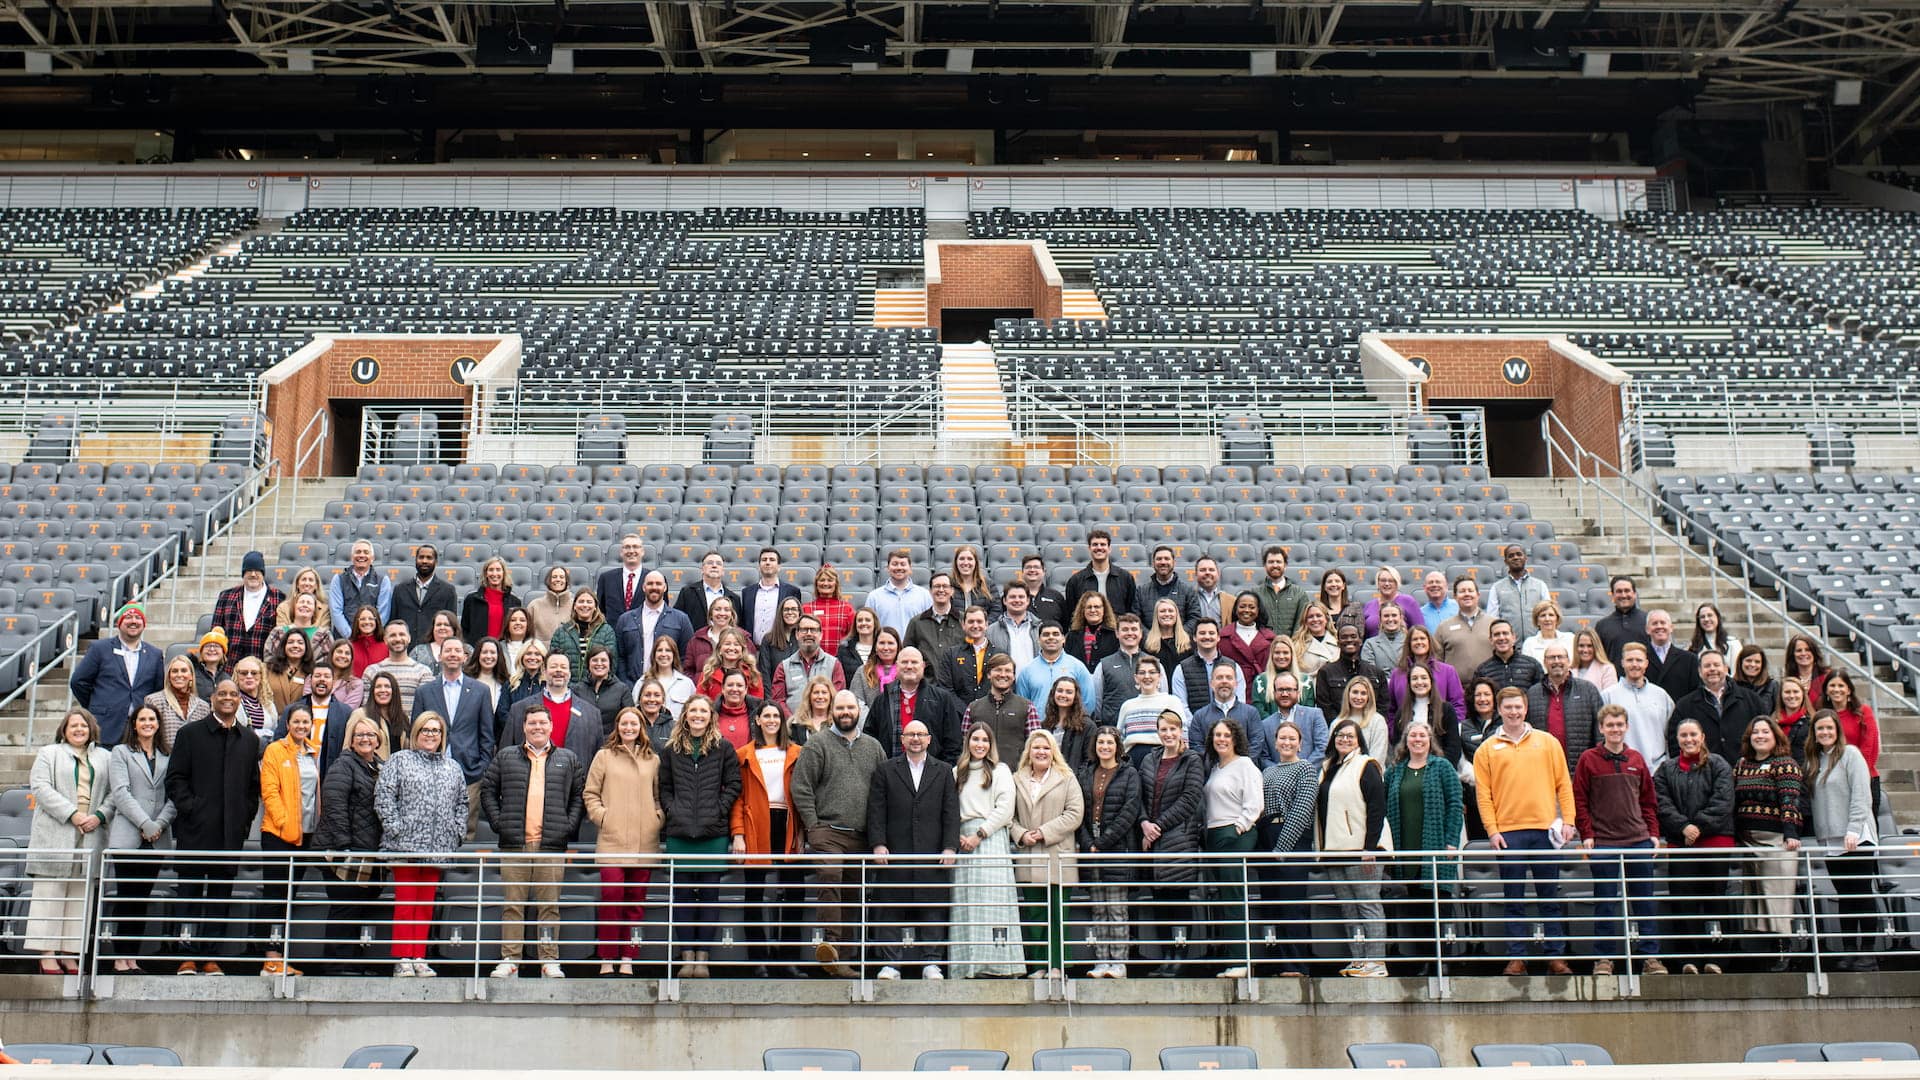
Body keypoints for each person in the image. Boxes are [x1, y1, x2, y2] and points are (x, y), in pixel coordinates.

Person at [1473, 686, 1577, 976]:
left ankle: (1555, 956)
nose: (1514, 712)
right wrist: (1492, 831)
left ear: (1526, 707)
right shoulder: (1486, 749)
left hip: (1545, 831)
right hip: (1509, 834)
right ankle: (1516, 956)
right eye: (1508, 707)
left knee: (1549, 896)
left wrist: (1568, 819)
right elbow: (1484, 795)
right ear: (1499, 710)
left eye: (1518, 707)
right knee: (1513, 897)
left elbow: (1563, 784)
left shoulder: (1547, 742)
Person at [164, 679, 262, 975]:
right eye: (223, 694)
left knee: (220, 897)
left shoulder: (249, 740)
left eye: (234, 694)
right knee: (190, 895)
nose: (229, 698)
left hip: (229, 835)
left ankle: (211, 956)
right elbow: (175, 779)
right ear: (212, 698)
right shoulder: (190, 734)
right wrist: (192, 809)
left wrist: (243, 823)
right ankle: (186, 955)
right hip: (195, 831)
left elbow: (251, 789)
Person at [482, 704, 586, 980]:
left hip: (551, 844)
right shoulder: (506, 757)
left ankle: (549, 959)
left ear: (551, 726)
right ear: (523, 727)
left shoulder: (568, 759)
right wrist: (499, 823)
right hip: (514, 844)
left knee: (549, 906)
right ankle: (510, 959)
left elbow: (578, 797)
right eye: (532, 723)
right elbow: (488, 791)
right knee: (512, 905)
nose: (537, 727)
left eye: (542, 723)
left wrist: (567, 827)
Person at [791, 690, 886, 978]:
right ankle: (831, 945)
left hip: (861, 834)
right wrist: (813, 825)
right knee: (830, 878)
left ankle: (844, 959)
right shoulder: (818, 744)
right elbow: (801, 787)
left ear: (859, 712)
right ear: (832, 710)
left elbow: (882, 791)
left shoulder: (873, 747)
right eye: (840, 708)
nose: (845, 712)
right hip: (827, 831)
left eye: (850, 708)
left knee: (854, 894)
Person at [1572, 704, 1664, 977]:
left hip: (1638, 841)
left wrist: (1653, 833)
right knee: (1605, 902)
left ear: (1626, 727)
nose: (1615, 729)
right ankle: (1604, 959)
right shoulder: (1588, 759)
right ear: (1601, 728)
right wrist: (1587, 834)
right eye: (1610, 725)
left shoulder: (1636, 759)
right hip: (1604, 843)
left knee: (1644, 901)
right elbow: (1580, 801)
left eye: (1619, 725)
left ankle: (1650, 958)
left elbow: (1648, 801)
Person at [375, 711, 468, 977]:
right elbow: (384, 797)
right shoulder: (399, 760)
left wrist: (456, 832)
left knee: (426, 904)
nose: (430, 735)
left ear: (443, 736)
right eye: (425, 730)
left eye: (436, 731)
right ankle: (403, 956)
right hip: (404, 846)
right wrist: (396, 829)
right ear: (416, 733)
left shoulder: (452, 767)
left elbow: (462, 803)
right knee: (405, 903)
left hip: (437, 847)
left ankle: (419, 955)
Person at [867, 718, 961, 981]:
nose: (916, 739)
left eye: (921, 734)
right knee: (890, 907)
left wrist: (950, 847)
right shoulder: (885, 770)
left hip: (932, 851)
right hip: (894, 850)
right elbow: (876, 810)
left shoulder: (943, 771)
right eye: (911, 735)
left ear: (929, 739)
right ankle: (891, 964)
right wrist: (878, 843)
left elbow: (951, 813)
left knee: (932, 907)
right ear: (902, 740)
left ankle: (931, 962)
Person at [657, 695, 742, 979]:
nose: (697, 715)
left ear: (711, 716)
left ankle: (703, 959)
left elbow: (733, 785)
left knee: (708, 898)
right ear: (685, 715)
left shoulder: (723, 748)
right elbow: (664, 787)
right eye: (693, 710)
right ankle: (686, 958)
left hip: (712, 834)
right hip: (680, 833)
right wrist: (672, 809)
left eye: (703, 711)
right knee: (681, 897)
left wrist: (718, 810)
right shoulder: (671, 750)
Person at [26, 708, 113, 974]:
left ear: (91, 730)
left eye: (83, 726)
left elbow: (113, 794)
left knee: (80, 895)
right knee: (50, 892)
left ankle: (70, 953)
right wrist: (73, 814)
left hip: (91, 831)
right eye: (73, 726)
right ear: (64, 730)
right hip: (57, 830)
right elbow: (40, 787)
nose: (78, 730)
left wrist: (98, 816)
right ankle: (47, 953)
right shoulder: (49, 754)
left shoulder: (105, 757)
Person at [584, 706, 663, 977]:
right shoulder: (604, 756)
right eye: (624, 724)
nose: (629, 728)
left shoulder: (653, 760)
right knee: (611, 898)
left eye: (634, 724)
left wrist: (657, 818)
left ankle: (629, 956)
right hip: (612, 840)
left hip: (644, 841)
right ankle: (606, 956)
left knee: (636, 901)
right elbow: (590, 793)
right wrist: (603, 817)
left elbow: (658, 796)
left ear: (642, 727)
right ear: (617, 727)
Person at [1653, 716, 1735, 976]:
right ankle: (1688, 959)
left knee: (1715, 901)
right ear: (1676, 740)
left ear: (1702, 737)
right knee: (1683, 902)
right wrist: (1683, 827)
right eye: (1683, 736)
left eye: (1693, 735)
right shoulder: (1666, 769)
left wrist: (1698, 826)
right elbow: (1661, 803)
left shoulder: (1718, 765)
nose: (1688, 740)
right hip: (1681, 844)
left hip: (1714, 842)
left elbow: (1723, 800)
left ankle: (1717, 959)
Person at [728, 703, 806, 978]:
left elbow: (805, 794)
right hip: (756, 824)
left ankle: (788, 959)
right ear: (758, 720)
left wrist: (803, 830)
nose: (772, 720)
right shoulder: (744, 755)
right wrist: (738, 834)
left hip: (788, 824)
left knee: (794, 895)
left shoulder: (797, 752)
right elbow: (737, 798)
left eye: (776, 716)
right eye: (767, 716)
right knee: (755, 895)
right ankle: (758, 959)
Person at [1384, 718, 1463, 977]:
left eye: (1422, 736)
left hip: (1437, 847)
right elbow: (1384, 807)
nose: (1417, 740)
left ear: (1430, 741)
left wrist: (1451, 840)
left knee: (1438, 906)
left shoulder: (1442, 767)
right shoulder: (1395, 771)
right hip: (1407, 849)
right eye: (1412, 736)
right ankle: (1422, 960)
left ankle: (1440, 963)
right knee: (1416, 908)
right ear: (1405, 742)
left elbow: (1455, 804)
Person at [1804, 710, 1880, 972]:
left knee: (1861, 893)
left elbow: (1862, 795)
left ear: (1837, 730)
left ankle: (1868, 952)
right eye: (1820, 729)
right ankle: (1849, 950)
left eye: (1829, 728)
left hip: (1855, 837)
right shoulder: (1814, 761)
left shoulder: (1851, 755)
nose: (1824, 733)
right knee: (1844, 896)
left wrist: (1854, 829)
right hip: (1831, 839)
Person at [312, 715, 385, 975]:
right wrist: (345, 846)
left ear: (378, 740)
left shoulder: (379, 766)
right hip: (341, 851)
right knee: (344, 908)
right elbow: (333, 806)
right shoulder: (343, 765)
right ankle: (335, 964)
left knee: (359, 908)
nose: (365, 739)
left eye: (370, 735)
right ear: (351, 741)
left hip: (366, 853)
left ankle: (354, 962)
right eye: (359, 735)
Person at [949, 723, 1024, 979]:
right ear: (967, 742)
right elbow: (949, 808)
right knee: (967, 903)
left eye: (984, 740)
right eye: (975, 739)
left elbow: (1005, 808)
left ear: (991, 744)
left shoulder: (1000, 771)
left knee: (993, 902)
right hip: (963, 842)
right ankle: (968, 966)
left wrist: (979, 834)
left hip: (989, 838)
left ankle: (998, 965)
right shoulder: (956, 772)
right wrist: (957, 835)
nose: (979, 744)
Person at [1316, 717, 1389, 978]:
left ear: (1359, 740)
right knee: (1349, 908)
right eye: (1340, 735)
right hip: (1335, 849)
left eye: (1350, 735)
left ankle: (1376, 962)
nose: (1344, 739)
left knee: (1368, 904)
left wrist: (1369, 846)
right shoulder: (1327, 767)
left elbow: (1377, 807)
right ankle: (1358, 960)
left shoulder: (1365, 765)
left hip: (1362, 849)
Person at [1011, 728, 1084, 981]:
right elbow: (1010, 817)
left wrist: (1043, 832)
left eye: (1046, 748)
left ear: (1053, 752)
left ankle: (1057, 965)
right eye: (1036, 748)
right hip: (1029, 855)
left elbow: (1075, 813)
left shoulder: (1066, 777)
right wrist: (1021, 834)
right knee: (1036, 913)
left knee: (1057, 913)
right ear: (1028, 752)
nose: (1041, 752)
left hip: (1057, 854)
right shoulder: (1017, 778)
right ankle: (1039, 966)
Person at [105, 703, 173, 973]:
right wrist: (145, 823)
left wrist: (158, 824)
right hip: (130, 835)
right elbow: (120, 792)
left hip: (156, 836)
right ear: (134, 724)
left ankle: (132, 957)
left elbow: (174, 795)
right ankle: (120, 958)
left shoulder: (168, 754)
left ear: (158, 724)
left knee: (142, 899)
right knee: (127, 897)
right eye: (142, 719)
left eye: (152, 719)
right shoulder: (121, 752)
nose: (147, 723)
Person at [1732, 715, 1803, 971]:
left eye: (1765, 732)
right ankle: (1763, 951)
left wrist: (1790, 832)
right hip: (1748, 840)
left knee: (1777, 895)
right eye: (1755, 732)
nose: (1760, 736)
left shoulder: (1785, 764)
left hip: (1777, 840)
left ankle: (1785, 951)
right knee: (1755, 896)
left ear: (1775, 736)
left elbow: (1790, 800)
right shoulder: (1742, 764)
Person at [1138, 710, 1205, 977]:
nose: (1168, 734)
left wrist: (1158, 827)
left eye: (1173, 729)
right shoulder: (1149, 760)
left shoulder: (1192, 760)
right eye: (1164, 729)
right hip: (1152, 840)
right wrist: (1144, 822)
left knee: (1179, 901)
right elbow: (1139, 796)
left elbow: (1190, 799)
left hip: (1179, 839)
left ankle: (1179, 955)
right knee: (1160, 901)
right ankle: (1166, 955)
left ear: (1181, 731)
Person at [257, 704, 321, 976]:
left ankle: (281, 958)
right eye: (296, 721)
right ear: (287, 723)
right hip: (278, 835)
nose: (301, 726)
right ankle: (270, 958)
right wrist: (284, 823)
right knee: (275, 896)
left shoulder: (312, 753)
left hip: (305, 835)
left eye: (306, 722)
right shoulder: (275, 750)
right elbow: (269, 791)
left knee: (290, 896)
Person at [411, 637, 496, 838]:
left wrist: (482, 766)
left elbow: (487, 734)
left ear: (465, 657)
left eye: (457, 651)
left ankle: (460, 870)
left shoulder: (480, 691)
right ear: (439, 656)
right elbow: (416, 731)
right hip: (429, 771)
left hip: (469, 772)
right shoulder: (424, 691)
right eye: (447, 650)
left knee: (466, 829)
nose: (452, 654)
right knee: (431, 825)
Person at [1198, 719, 1261, 979]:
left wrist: (1239, 827)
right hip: (1213, 834)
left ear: (1235, 738)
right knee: (1223, 898)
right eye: (1217, 735)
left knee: (1234, 897)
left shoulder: (1244, 765)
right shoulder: (1214, 768)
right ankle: (1229, 959)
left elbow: (1255, 802)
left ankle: (1241, 961)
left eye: (1226, 735)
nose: (1221, 739)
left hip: (1234, 833)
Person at [1077, 725, 1141, 979]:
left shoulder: (1128, 774)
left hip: (1117, 847)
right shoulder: (1086, 772)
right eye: (1101, 742)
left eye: (1110, 743)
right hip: (1090, 846)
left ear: (1118, 747)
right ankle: (1102, 960)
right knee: (1098, 907)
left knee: (1116, 909)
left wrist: (1102, 842)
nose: (1105, 747)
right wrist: (1087, 841)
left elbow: (1130, 810)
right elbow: (1078, 809)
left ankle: (1119, 961)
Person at [70, 601, 165, 745]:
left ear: (144, 624)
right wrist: (97, 704)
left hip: (139, 730)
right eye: (128, 617)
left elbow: (157, 690)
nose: (133, 621)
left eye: (138, 617)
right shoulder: (99, 648)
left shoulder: (155, 654)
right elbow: (78, 682)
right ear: (119, 623)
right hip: (105, 726)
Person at [1668, 650, 1766, 767]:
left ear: (1725, 669)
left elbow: (1767, 735)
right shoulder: (1685, 705)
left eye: (1716, 665)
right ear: (1700, 672)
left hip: (1746, 773)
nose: (1712, 669)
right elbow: (1675, 743)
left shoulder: (1751, 700)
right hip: (1704, 775)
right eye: (1707, 666)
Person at [507, 651, 604, 766]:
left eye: (563, 667)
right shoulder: (519, 709)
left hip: (575, 781)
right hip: (531, 780)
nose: (559, 670)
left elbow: (598, 759)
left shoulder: (591, 713)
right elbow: (506, 755)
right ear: (544, 671)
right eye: (553, 666)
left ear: (569, 673)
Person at [870, 646, 966, 761]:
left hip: (932, 774)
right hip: (890, 773)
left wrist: (942, 772)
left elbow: (954, 743)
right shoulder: (882, 700)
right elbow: (871, 740)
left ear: (923, 666)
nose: (909, 666)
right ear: (897, 666)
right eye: (904, 662)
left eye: (914, 662)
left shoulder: (941, 699)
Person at [1527, 641, 1602, 774]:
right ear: (1544, 662)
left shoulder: (1588, 689)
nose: (1556, 661)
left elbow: (1600, 729)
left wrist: (1599, 762)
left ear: (1569, 660)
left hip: (1580, 771)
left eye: (1560, 657)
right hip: (1543, 771)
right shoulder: (1532, 694)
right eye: (1551, 657)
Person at [1189, 663, 1276, 770]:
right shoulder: (1199, 716)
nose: (1224, 681)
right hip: (1211, 775)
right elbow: (1197, 747)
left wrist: (1237, 766)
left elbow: (1257, 744)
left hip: (1245, 775)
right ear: (1211, 683)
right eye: (1219, 678)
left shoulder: (1251, 713)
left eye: (1229, 678)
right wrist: (1219, 765)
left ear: (1236, 683)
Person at [1602, 643, 1674, 772]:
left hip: (1657, 771)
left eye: (1639, 660)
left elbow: (1671, 733)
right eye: (1630, 660)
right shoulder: (1608, 696)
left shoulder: (1661, 695)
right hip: (1621, 770)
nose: (1634, 664)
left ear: (1646, 663)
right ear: (1622, 663)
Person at [614, 571, 694, 682]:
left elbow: (687, 657)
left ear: (665, 587)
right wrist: (627, 686)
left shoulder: (681, 619)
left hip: (668, 688)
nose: (654, 587)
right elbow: (620, 657)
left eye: (658, 584)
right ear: (643, 587)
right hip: (633, 687)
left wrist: (674, 684)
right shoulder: (625, 619)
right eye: (650, 583)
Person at [1821, 672, 1882, 816]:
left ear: (1849, 690)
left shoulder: (1863, 712)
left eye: (1841, 685)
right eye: (1832, 685)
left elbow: (1869, 747)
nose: (1836, 689)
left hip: (1864, 778)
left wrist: (1857, 775)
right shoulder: (1823, 715)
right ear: (1826, 690)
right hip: (1834, 781)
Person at [1115, 656, 1188, 768]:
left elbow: (1183, 734)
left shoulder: (1172, 702)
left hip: (1165, 760)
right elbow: (1120, 739)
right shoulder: (1127, 706)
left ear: (1159, 676)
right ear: (1136, 677)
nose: (1147, 676)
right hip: (1133, 763)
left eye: (1152, 672)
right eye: (1142, 672)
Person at [212, 551, 285, 662]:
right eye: (249, 570)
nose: (253, 574)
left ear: (263, 573)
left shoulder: (278, 597)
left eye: (257, 571)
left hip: (263, 668)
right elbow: (215, 632)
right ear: (243, 573)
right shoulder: (226, 596)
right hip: (230, 667)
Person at [967, 653, 1037, 763]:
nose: (1003, 674)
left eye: (1008, 671)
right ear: (989, 674)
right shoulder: (973, 708)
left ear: (1014, 676)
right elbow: (965, 745)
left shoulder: (1027, 707)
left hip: (1016, 774)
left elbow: (1035, 744)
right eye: (998, 670)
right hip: (981, 772)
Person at [770, 614, 845, 714]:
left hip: (825, 727)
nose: (809, 634)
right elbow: (778, 700)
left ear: (820, 635)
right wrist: (793, 722)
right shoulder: (784, 667)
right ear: (797, 634)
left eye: (813, 630)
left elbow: (838, 698)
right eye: (804, 630)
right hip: (792, 726)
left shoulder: (834, 664)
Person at [1392, 664, 1464, 765]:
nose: (1419, 682)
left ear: (1431, 681)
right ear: (1409, 683)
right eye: (1414, 678)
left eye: (1424, 678)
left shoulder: (1446, 709)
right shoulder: (1401, 713)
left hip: (1440, 771)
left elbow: (1454, 747)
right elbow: (1397, 747)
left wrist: (1439, 769)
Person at [1171, 618, 1245, 712]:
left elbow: (1240, 702)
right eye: (1202, 633)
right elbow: (1181, 706)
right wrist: (1196, 725)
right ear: (1194, 637)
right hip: (1195, 725)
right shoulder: (1181, 669)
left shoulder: (1234, 667)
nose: (1207, 636)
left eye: (1211, 633)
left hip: (1228, 724)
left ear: (1218, 637)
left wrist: (1226, 725)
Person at [1065, 528, 1138, 623]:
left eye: (1103, 544)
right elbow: (1072, 612)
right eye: (1095, 544)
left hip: (1116, 632)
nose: (1099, 547)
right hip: (1086, 633)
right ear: (1089, 548)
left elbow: (1131, 609)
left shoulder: (1125, 578)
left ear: (1109, 548)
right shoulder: (1076, 581)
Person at [1314, 624, 1383, 720]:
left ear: (1360, 641)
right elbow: (1325, 707)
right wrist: (1342, 726)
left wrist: (1368, 724)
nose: (1349, 640)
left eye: (1353, 636)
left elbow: (1383, 705)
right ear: (1338, 643)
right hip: (1338, 729)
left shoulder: (1376, 673)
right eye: (1344, 637)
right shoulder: (1325, 672)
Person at [1260, 672, 1329, 767]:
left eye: (1289, 689)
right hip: (1279, 779)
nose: (1284, 694)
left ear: (1298, 692)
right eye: (1280, 690)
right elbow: (1264, 758)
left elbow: (1322, 748)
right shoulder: (1265, 724)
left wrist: (1302, 771)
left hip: (1310, 777)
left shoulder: (1314, 715)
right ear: (1274, 693)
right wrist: (1281, 774)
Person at [393, 544, 459, 644]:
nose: (424, 561)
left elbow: (451, 625)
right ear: (416, 560)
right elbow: (393, 621)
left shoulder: (448, 590)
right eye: (421, 557)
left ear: (436, 562)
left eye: (429, 558)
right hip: (404, 647)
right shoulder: (400, 589)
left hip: (434, 647)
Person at [364, 620, 433, 714]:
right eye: (392, 635)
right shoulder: (371, 671)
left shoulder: (423, 672)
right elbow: (366, 708)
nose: (397, 639)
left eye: (402, 634)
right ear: (385, 640)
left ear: (409, 638)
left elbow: (426, 709)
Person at [328, 539, 392, 639]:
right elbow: (336, 611)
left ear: (372, 558)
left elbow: (383, 614)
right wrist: (351, 636)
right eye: (358, 552)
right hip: (345, 640)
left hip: (372, 639)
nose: (361, 555)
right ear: (351, 557)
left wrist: (370, 634)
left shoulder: (383, 581)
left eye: (366, 552)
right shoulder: (338, 579)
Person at [1092, 613, 1147, 727]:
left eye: (1134, 629)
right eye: (1125, 629)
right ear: (1117, 633)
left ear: (1141, 633)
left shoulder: (1154, 664)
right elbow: (1097, 702)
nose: (1130, 633)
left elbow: (1162, 697)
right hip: (1114, 732)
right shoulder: (1104, 665)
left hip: (1146, 730)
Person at [548, 588, 618, 679]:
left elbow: (612, 664)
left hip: (595, 688)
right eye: (581, 601)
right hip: (568, 688)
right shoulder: (561, 632)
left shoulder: (607, 631)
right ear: (574, 606)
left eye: (589, 602)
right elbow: (553, 661)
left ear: (595, 607)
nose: (585, 605)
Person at [740, 547, 804, 647]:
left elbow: (795, 623)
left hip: (780, 648)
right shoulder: (747, 592)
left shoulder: (792, 591)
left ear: (779, 567)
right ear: (759, 566)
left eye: (772, 560)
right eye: (764, 560)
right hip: (751, 649)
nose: (768, 562)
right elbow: (743, 622)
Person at [1435, 576, 1496, 678]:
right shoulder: (1443, 627)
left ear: (1478, 595)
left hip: (1488, 689)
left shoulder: (1493, 624)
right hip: (1457, 689)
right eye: (1462, 591)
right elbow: (1437, 662)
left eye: (1470, 590)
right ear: (1455, 596)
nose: (1467, 594)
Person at [148, 654, 210, 748]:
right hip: (165, 759)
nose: (179, 675)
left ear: (191, 676)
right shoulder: (154, 701)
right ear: (169, 676)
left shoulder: (203, 707)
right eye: (174, 671)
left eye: (184, 671)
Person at [904, 572, 965, 668]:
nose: (941, 590)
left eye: (945, 586)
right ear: (930, 591)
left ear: (952, 591)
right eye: (937, 586)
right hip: (926, 681)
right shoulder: (916, 623)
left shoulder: (964, 621)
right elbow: (907, 653)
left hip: (957, 681)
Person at [869, 548, 934, 637]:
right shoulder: (874, 596)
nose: (899, 568)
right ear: (888, 568)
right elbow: (870, 626)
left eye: (903, 564)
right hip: (885, 648)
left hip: (915, 649)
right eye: (894, 564)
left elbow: (931, 626)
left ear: (910, 569)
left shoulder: (924, 595)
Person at [674, 551, 741, 633]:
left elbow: (737, 626)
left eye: (718, 564)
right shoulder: (687, 592)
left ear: (723, 571)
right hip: (695, 643)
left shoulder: (734, 598)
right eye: (710, 563)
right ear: (702, 569)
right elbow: (677, 620)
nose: (714, 566)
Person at [1220, 592, 1275, 689]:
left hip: (1262, 689)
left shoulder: (1271, 638)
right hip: (1233, 689)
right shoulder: (1222, 637)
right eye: (1242, 606)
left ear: (1258, 610)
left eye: (1251, 607)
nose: (1246, 610)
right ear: (1235, 609)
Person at [1250, 545, 1308, 637]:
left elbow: (1301, 625)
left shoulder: (1299, 593)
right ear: (1265, 566)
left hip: (1291, 648)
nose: (1275, 565)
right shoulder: (1255, 594)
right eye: (1271, 562)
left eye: (1278, 562)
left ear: (1285, 566)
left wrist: (1291, 646)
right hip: (1263, 648)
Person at [1594, 576, 1650, 670]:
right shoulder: (1602, 625)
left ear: (1635, 593)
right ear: (1612, 595)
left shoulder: (1649, 621)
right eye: (1619, 591)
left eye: (1627, 590)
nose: (1623, 595)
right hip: (1613, 681)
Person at [1334, 676, 1391, 768]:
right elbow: (1332, 756)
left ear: (1369, 697)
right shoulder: (1337, 722)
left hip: (1369, 776)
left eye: (1363, 693)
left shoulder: (1377, 721)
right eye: (1355, 692)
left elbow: (1377, 757)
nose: (1358, 697)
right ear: (1348, 694)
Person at [1037, 676, 1093, 770]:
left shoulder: (1087, 726)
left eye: (1069, 692)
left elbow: (1090, 761)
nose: (1063, 695)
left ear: (1075, 696)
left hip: (1074, 781)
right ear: (1053, 693)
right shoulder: (1045, 725)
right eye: (1060, 690)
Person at [1645, 610, 1701, 703]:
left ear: (1671, 627)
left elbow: (1696, 693)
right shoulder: (1639, 659)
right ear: (1647, 629)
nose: (1659, 626)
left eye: (1663, 623)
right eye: (1654, 623)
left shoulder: (1689, 659)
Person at [1136, 544, 1197, 628]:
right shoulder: (1141, 591)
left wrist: (1178, 637)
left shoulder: (1188, 591)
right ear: (1153, 563)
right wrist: (1152, 637)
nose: (1163, 562)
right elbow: (1136, 620)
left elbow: (1194, 619)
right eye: (1159, 559)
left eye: (1167, 559)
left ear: (1174, 562)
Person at [1488, 544, 1551, 626]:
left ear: (1525, 558)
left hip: (1536, 637)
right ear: (1506, 561)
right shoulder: (1496, 588)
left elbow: (1548, 612)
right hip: (1508, 638)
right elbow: (1493, 618)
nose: (1515, 557)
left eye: (1519, 554)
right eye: (1511, 556)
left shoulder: (1540, 585)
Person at [1476, 619, 1544, 693]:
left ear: (1513, 637)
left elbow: (1541, 695)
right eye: (1496, 634)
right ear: (1491, 640)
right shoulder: (1483, 670)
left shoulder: (1532, 665)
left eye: (1505, 633)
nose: (1501, 638)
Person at [596, 533, 650, 626]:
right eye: (627, 547)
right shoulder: (606, 579)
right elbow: (600, 610)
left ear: (642, 551)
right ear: (621, 552)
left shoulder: (654, 579)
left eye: (635, 547)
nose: (631, 550)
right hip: (613, 636)